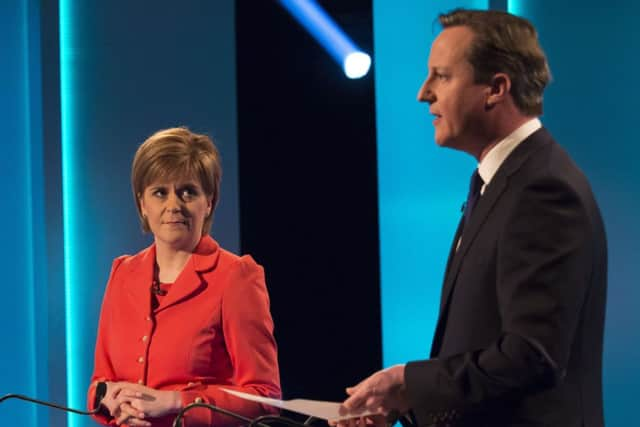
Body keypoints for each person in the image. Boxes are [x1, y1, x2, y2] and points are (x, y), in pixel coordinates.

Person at [337, 9, 607, 427]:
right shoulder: (499, 181)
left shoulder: (543, 189)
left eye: (441, 76)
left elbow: (531, 355)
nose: (423, 93)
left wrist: (408, 384)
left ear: (496, 88)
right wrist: (402, 406)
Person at [87, 127, 281, 426]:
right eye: (160, 192)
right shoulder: (122, 273)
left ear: (209, 202)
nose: (173, 205)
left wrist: (177, 402)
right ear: (143, 203)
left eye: (188, 191)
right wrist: (108, 398)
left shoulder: (236, 276)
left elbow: (264, 398)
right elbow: (99, 384)